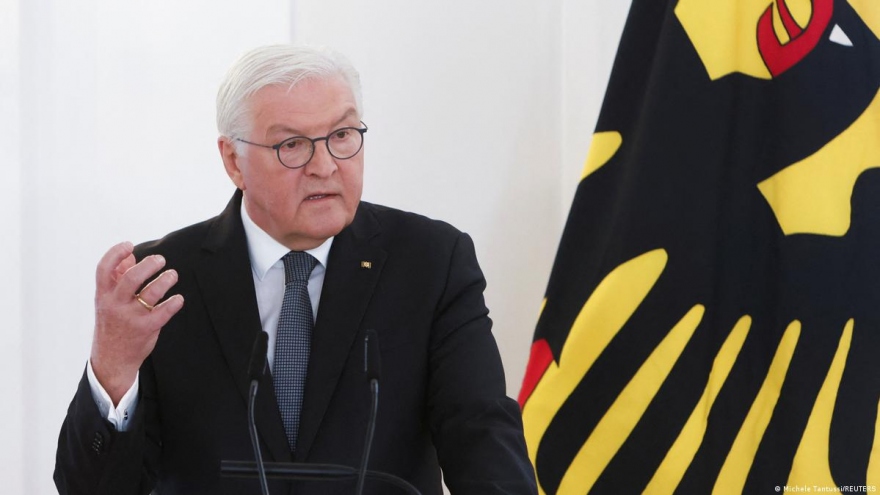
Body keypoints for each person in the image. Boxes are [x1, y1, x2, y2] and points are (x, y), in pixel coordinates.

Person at [53, 44, 537, 495]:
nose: (325, 165)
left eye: (342, 136)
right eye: (292, 145)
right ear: (233, 161)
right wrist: (113, 369)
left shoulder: (430, 262)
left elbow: (484, 439)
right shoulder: (162, 282)